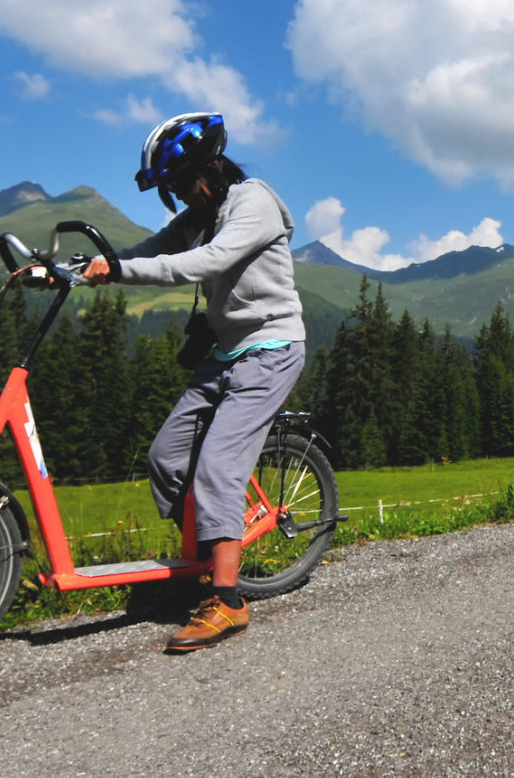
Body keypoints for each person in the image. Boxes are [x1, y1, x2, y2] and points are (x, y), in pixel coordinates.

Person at [82, 112, 306, 652]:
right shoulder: (199, 214)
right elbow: (148, 250)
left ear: (208, 168)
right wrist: (69, 269)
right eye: (172, 190)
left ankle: (226, 599)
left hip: (271, 348)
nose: (179, 197)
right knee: (166, 456)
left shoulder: (252, 203)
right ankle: (203, 556)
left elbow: (202, 264)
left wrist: (116, 273)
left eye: (181, 184)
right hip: (225, 351)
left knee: (218, 468)